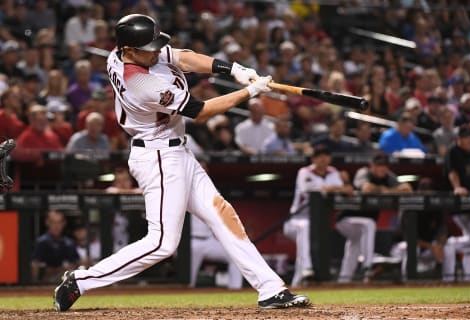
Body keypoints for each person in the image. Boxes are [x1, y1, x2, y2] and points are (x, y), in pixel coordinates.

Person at [54, 14, 310, 312]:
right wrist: (249, 92)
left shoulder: (127, 52)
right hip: (159, 157)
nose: (155, 51)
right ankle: (81, 281)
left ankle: (271, 289)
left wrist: (233, 69)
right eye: (148, 48)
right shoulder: (140, 83)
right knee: (162, 243)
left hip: (178, 152)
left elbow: (183, 58)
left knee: (222, 215)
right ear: (128, 50)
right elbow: (199, 111)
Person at [335, 151, 412, 283]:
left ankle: (343, 280)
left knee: (354, 247)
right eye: (378, 165)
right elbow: (366, 188)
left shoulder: (388, 177)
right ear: (372, 166)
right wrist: (386, 190)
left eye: (384, 165)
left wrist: (385, 190)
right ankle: (367, 266)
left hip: (362, 226)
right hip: (347, 219)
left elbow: (407, 188)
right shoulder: (364, 172)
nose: (381, 168)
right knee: (369, 224)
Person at [284, 145, 353, 287]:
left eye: (326, 155)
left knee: (306, 243)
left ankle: (298, 281)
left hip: (320, 222)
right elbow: (307, 190)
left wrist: (333, 187)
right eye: (319, 155)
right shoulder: (304, 172)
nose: (323, 158)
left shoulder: (333, 171)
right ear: (313, 158)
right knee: (306, 227)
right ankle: (308, 268)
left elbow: (344, 189)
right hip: (296, 220)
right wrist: (330, 188)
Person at [442, 125, 470, 282]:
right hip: (460, 206)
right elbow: (453, 172)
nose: (469, 140)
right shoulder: (454, 152)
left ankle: (468, 280)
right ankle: (452, 244)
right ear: (459, 139)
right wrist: (457, 187)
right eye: (466, 137)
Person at [190, 214, 243, 289]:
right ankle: (184, 294)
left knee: (235, 254)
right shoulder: (181, 203)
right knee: (189, 280)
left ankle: (236, 290)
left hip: (209, 239)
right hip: (191, 241)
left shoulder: (210, 202)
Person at [31, 210, 79, 284]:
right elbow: (35, 265)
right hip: (46, 282)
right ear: (47, 222)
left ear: (64, 223)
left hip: (67, 282)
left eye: (59, 222)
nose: (56, 226)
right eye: (53, 222)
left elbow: (75, 263)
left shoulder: (69, 243)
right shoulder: (41, 242)